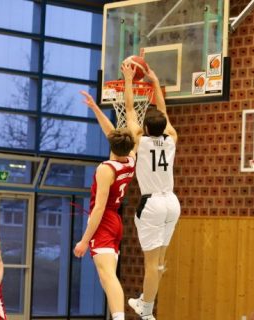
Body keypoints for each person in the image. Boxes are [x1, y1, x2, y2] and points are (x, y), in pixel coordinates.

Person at [121, 63, 180, 320]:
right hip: (172, 203)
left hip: (152, 204)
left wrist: (128, 80)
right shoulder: (171, 138)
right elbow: (163, 112)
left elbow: (130, 108)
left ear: (145, 129)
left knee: (150, 264)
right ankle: (146, 305)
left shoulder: (139, 140)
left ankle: (146, 310)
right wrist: (156, 82)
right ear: (164, 126)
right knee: (158, 264)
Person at [74, 90, 136, 320]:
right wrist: (95, 108)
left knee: (108, 276)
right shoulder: (131, 159)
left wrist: (84, 239)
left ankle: (119, 319)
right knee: (105, 277)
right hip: (116, 221)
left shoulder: (105, 169)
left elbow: (98, 208)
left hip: (105, 221)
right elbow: (111, 132)